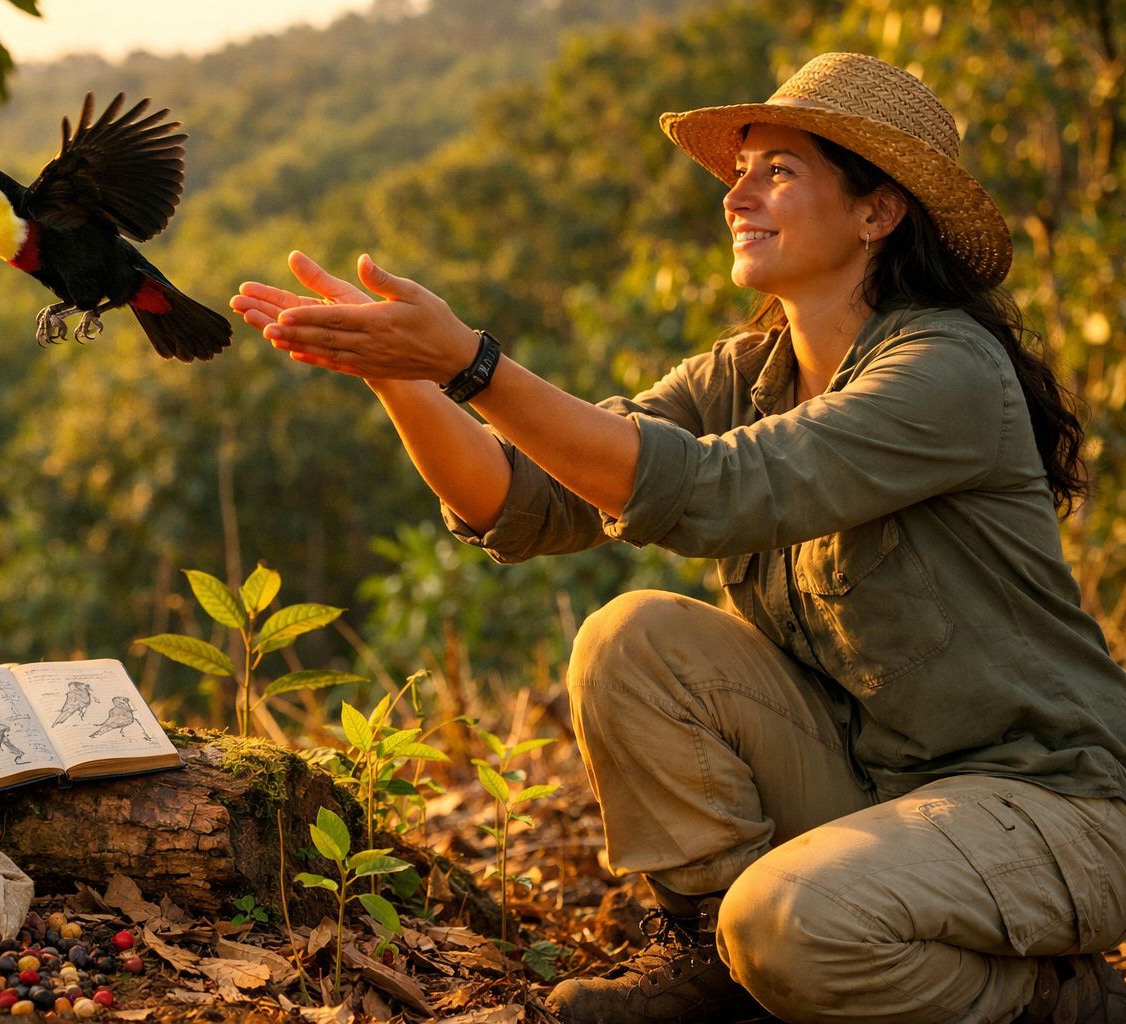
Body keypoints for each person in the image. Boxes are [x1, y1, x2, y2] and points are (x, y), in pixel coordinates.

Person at [231, 51, 1126, 1024]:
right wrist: (401, 372)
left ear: (878, 211)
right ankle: (716, 965)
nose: (737, 195)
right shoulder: (743, 374)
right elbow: (523, 500)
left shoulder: (945, 369)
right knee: (633, 640)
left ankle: (1059, 1002)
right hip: (878, 791)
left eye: (778, 170)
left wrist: (473, 362)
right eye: (739, 171)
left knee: (790, 927)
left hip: (1050, 803)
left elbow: (712, 491)